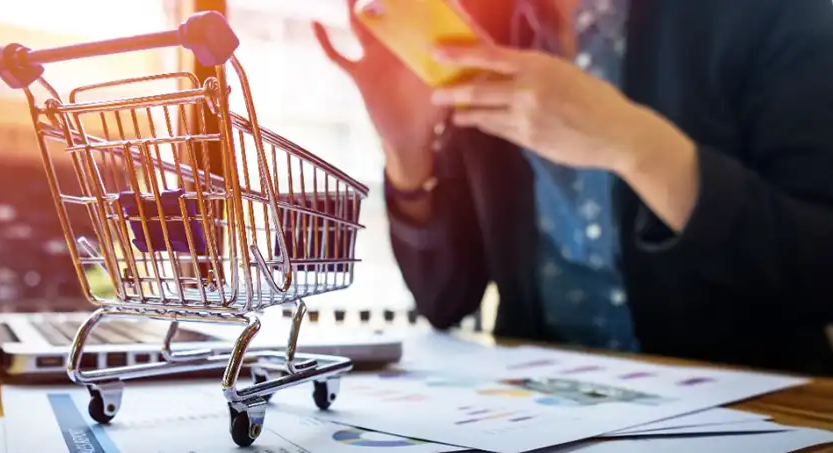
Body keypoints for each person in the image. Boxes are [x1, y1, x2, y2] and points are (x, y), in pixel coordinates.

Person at [312, 0, 833, 375]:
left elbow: (819, 271)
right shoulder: (482, 24)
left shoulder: (773, 13)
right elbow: (445, 300)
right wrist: (407, 151)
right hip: (544, 409)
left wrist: (641, 147)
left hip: (751, 407)